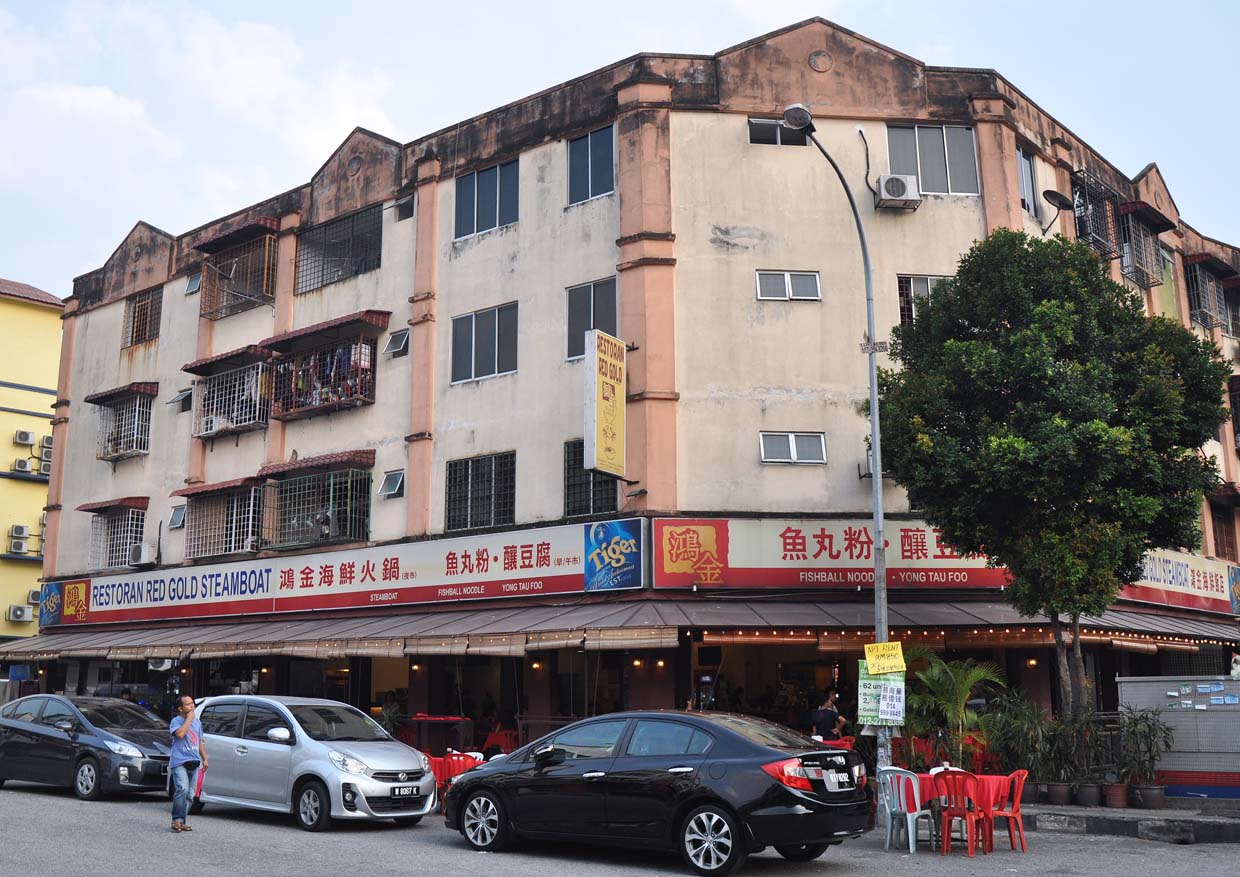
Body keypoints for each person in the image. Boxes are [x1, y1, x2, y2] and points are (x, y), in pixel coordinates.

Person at [168, 694, 207, 833]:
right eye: (188, 704)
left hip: (194, 761)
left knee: (190, 794)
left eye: (192, 703)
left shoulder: (197, 723)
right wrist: (189, 719)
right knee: (182, 789)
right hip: (179, 761)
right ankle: (176, 820)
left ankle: (182, 821)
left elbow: (199, 741)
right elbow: (180, 734)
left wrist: (204, 758)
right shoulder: (176, 721)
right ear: (180, 708)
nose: (192, 706)